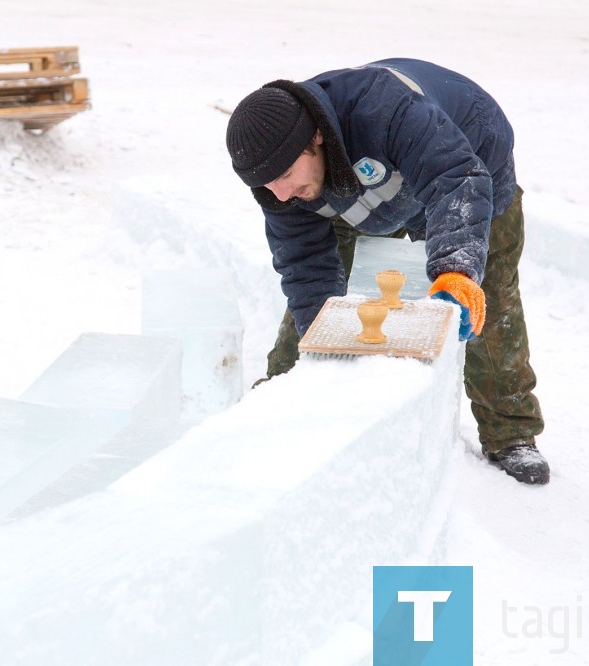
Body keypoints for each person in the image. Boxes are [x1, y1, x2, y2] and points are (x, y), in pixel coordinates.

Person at [225, 58, 549, 485]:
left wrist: (455, 270)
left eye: (285, 175)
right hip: (356, 187)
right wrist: (322, 348)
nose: (280, 194)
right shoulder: (282, 187)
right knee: (317, 315)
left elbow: (456, 180)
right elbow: (305, 268)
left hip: (469, 168)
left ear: (315, 137)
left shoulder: (384, 111)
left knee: (482, 297)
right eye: (267, 185)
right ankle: (287, 396)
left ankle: (511, 432)